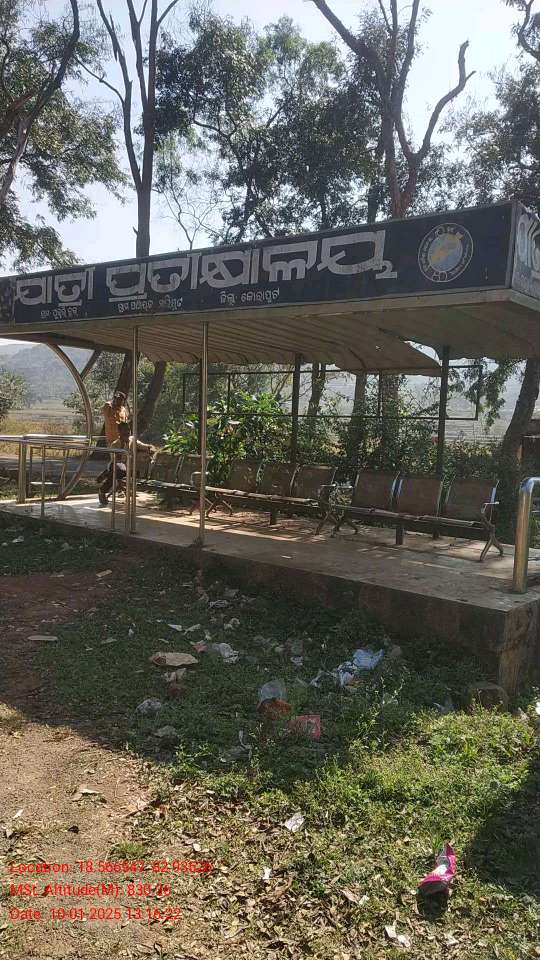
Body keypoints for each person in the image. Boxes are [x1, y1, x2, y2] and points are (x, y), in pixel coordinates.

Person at [98, 422, 157, 506]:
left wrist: (150, 449)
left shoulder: (133, 440)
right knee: (117, 469)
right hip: (118, 466)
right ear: (119, 432)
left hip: (131, 468)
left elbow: (145, 446)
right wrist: (122, 445)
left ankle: (105, 478)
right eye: (124, 430)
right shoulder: (115, 444)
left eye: (128, 430)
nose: (127, 432)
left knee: (115, 472)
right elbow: (116, 460)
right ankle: (103, 488)